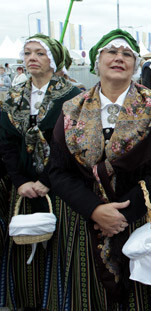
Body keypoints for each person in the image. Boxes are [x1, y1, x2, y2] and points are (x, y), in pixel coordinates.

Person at [48, 29, 151, 310]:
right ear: (97, 61)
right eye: (112, 52)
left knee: (149, 300)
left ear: (136, 64)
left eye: (127, 53)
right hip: (87, 219)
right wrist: (95, 210)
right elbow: (57, 171)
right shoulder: (72, 109)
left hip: (143, 216)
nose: (119, 58)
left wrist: (123, 215)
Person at [0, 34, 81, 310]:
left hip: (59, 185)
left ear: (53, 60)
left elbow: (73, 144)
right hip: (24, 185)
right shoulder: (13, 98)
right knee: (24, 241)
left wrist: (47, 180)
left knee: (58, 244)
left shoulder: (72, 96)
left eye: (39, 53)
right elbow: (7, 143)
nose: (31, 58)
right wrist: (20, 181)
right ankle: (28, 299)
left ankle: (58, 300)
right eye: (27, 53)